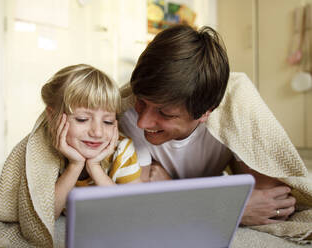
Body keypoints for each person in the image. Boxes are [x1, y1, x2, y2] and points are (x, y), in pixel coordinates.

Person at [119, 24, 299, 228]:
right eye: (141, 102)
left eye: (165, 113)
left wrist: (172, 191)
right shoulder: (124, 114)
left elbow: (273, 199)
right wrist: (231, 210)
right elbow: (139, 204)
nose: (142, 122)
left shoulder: (236, 104)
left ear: (206, 112)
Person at [0, 64, 141, 247]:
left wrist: (95, 167)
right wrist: (74, 165)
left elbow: (129, 211)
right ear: (52, 117)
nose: (97, 132)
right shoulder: (42, 153)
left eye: (107, 121)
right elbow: (44, 217)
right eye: (82, 119)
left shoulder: (122, 150)